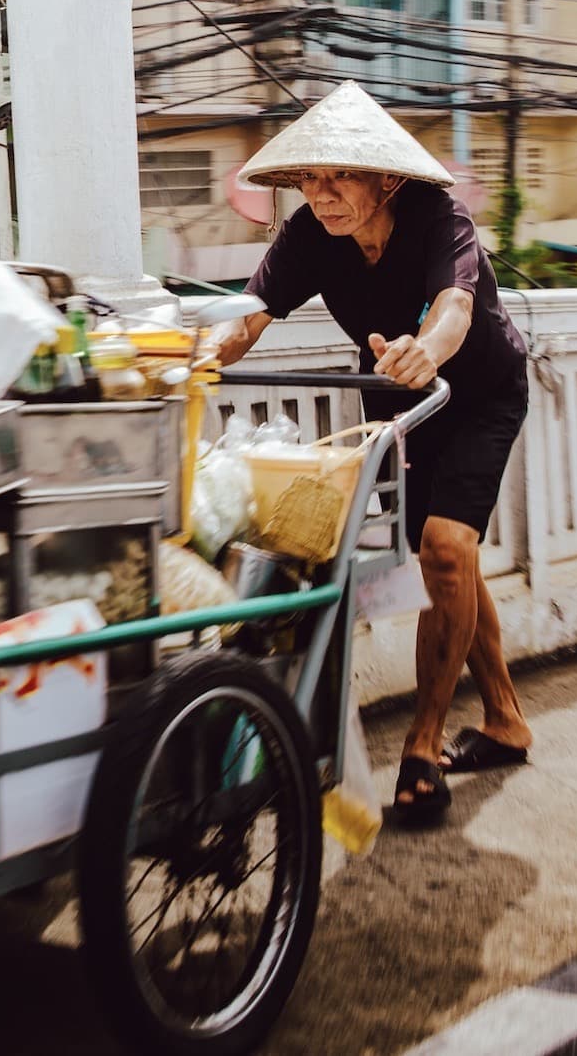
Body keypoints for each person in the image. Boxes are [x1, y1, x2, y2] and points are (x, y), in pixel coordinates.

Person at [211, 81, 533, 825]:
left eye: (339, 177)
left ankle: (421, 748)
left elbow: (454, 306)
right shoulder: (308, 237)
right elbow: (250, 317)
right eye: (309, 179)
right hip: (399, 401)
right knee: (443, 556)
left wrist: (428, 348)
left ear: (385, 177)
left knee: (447, 545)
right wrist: (193, 356)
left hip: (477, 390)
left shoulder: (438, 217)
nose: (321, 195)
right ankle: (505, 719)